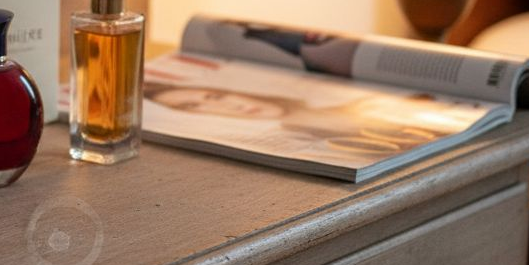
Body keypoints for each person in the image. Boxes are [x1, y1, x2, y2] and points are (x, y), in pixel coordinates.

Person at [142, 81, 449, 155]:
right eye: (193, 108)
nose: (228, 107)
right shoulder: (302, 140)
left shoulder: (366, 104)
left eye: (214, 95)